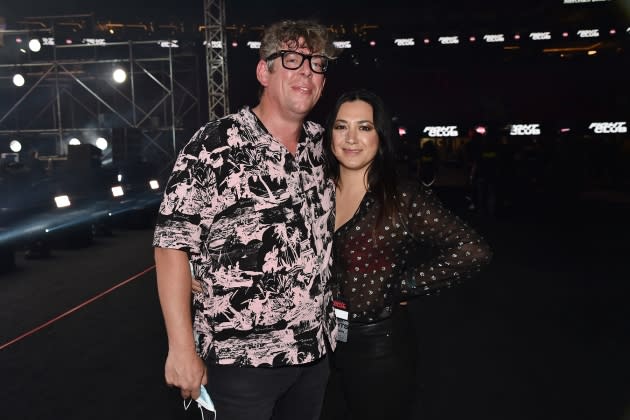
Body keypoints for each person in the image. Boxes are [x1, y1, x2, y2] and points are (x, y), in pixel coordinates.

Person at [153, 20, 339, 420]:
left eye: (317, 64)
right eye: (292, 60)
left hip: (314, 356)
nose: (307, 71)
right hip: (237, 365)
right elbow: (171, 245)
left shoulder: (325, 147)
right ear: (263, 71)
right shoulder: (214, 144)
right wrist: (181, 348)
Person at [319, 89, 492, 420]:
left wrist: (403, 285)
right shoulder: (316, 188)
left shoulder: (400, 196)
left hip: (377, 348)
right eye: (341, 127)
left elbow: (473, 249)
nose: (351, 138)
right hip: (317, 345)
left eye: (364, 127)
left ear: (381, 136)